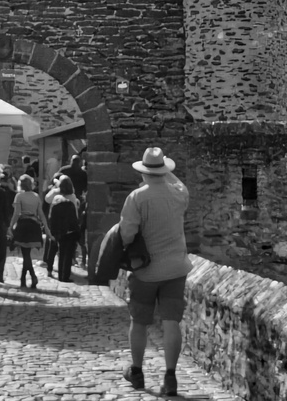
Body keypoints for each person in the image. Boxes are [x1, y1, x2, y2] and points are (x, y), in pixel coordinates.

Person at [118, 147, 190, 397]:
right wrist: (166, 170)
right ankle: (170, 377)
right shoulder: (180, 194)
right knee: (172, 322)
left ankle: (137, 372)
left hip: (145, 270)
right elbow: (175, 182)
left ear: (144, 172)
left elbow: (127, 233)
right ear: (165, 170)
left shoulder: (137, 197)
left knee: (139, 321)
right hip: (175, 269)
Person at [8, 174, 49, 289]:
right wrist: (46, 227)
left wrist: (11, 226)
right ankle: (23, 279)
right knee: (27, 254)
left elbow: (17, 213)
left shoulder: (19, 196)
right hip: (34, 225)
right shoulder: (36, 196)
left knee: (25, 254)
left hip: (23, 225)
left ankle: (31, 276)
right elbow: (40, 213)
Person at [48, 176, 83, 282]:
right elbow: (75, 215)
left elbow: (51, 213)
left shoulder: (56, 198)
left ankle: (59, 275)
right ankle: (65, 276)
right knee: (68, 254)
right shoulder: (73, 198)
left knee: (61, 253)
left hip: (59, 229)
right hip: (70, 229)